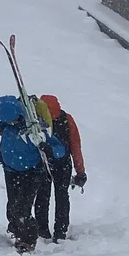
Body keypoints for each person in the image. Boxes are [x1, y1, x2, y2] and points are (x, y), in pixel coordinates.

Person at [0, 94, 67, 253]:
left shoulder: (35, 125)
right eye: (7, 122)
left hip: (33, 171)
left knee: (22, 208)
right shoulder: (1, 115)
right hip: (10, 170)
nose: (11, 124)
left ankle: (28, 239)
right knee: (12, 206)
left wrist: (50, 150)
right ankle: (17, 231)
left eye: (14, 121)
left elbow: (60, 149)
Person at [33, 95, 86, 241]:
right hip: (63, 164)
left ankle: (42, 230)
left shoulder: (36, 120)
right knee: (62, 196)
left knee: (42, 196)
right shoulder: (66, 119)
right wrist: (80, 171)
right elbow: (75, 146)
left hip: (42, 163)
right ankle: (60, 231)